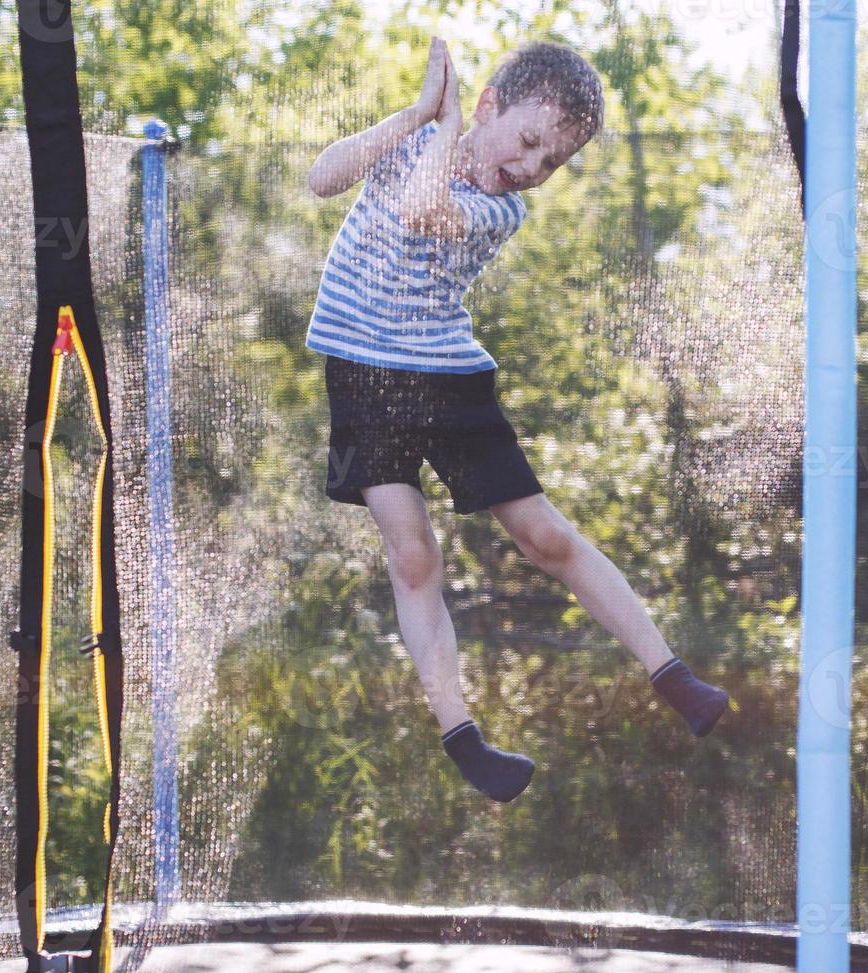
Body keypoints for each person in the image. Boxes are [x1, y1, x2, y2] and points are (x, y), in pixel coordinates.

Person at [304, 37, 729, 803]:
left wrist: (447, 122)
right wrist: (419, 113)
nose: (534, 168)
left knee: (544, 537)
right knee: (413, 558)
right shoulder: (415, 142)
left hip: (444, 380)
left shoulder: (500, 208)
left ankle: (670, 674)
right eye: (531, 142)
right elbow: (321, 178)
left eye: (552, 162)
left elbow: (422, 209)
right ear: (494, 104)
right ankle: (463, 738)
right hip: (362, 377)